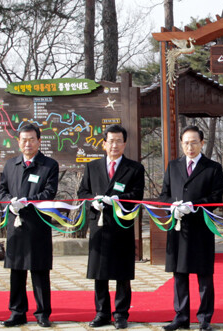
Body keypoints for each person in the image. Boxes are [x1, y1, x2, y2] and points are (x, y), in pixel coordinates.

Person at [77, 124, 145, 329]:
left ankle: (121, 314)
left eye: (119, 141)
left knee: (122, 272)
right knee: (99, 272)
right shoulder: (92, 167)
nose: (114, 145)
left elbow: (136, 195)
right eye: (110, 141)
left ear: (124, 144)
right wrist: (92, 201)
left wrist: (118, 199)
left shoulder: (134, 168)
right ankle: (102, 313)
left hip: (121, 225)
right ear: (104, 144)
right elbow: (83, 192)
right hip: (99, 226)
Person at [159, 125, 223, 331]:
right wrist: (173, 206)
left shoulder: (212, 168)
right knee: (179, 274)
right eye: (186, 142)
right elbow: (164, 195)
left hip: (201, 228)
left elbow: (216, 197)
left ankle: (205, 317)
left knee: (204, 274)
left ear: (202, 143)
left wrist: (193, 206)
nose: (190, 146)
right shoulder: (173, 166)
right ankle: (181, 316)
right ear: (181, 143)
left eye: (194, 142)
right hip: (178, 228)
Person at [0, 124, 59, 328]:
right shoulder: (10, 165)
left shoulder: (49, 165)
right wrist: (10, 201)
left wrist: (28, 201)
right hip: (16, 226)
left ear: (39, 141)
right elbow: (2, 191)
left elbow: (49, 193)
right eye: (24, 139)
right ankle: (17, 312)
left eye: (32, 139)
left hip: (38, 225)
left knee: (39, 270)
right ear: (18, 142)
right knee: (16, 270)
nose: (27, 143)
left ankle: (42, 313)